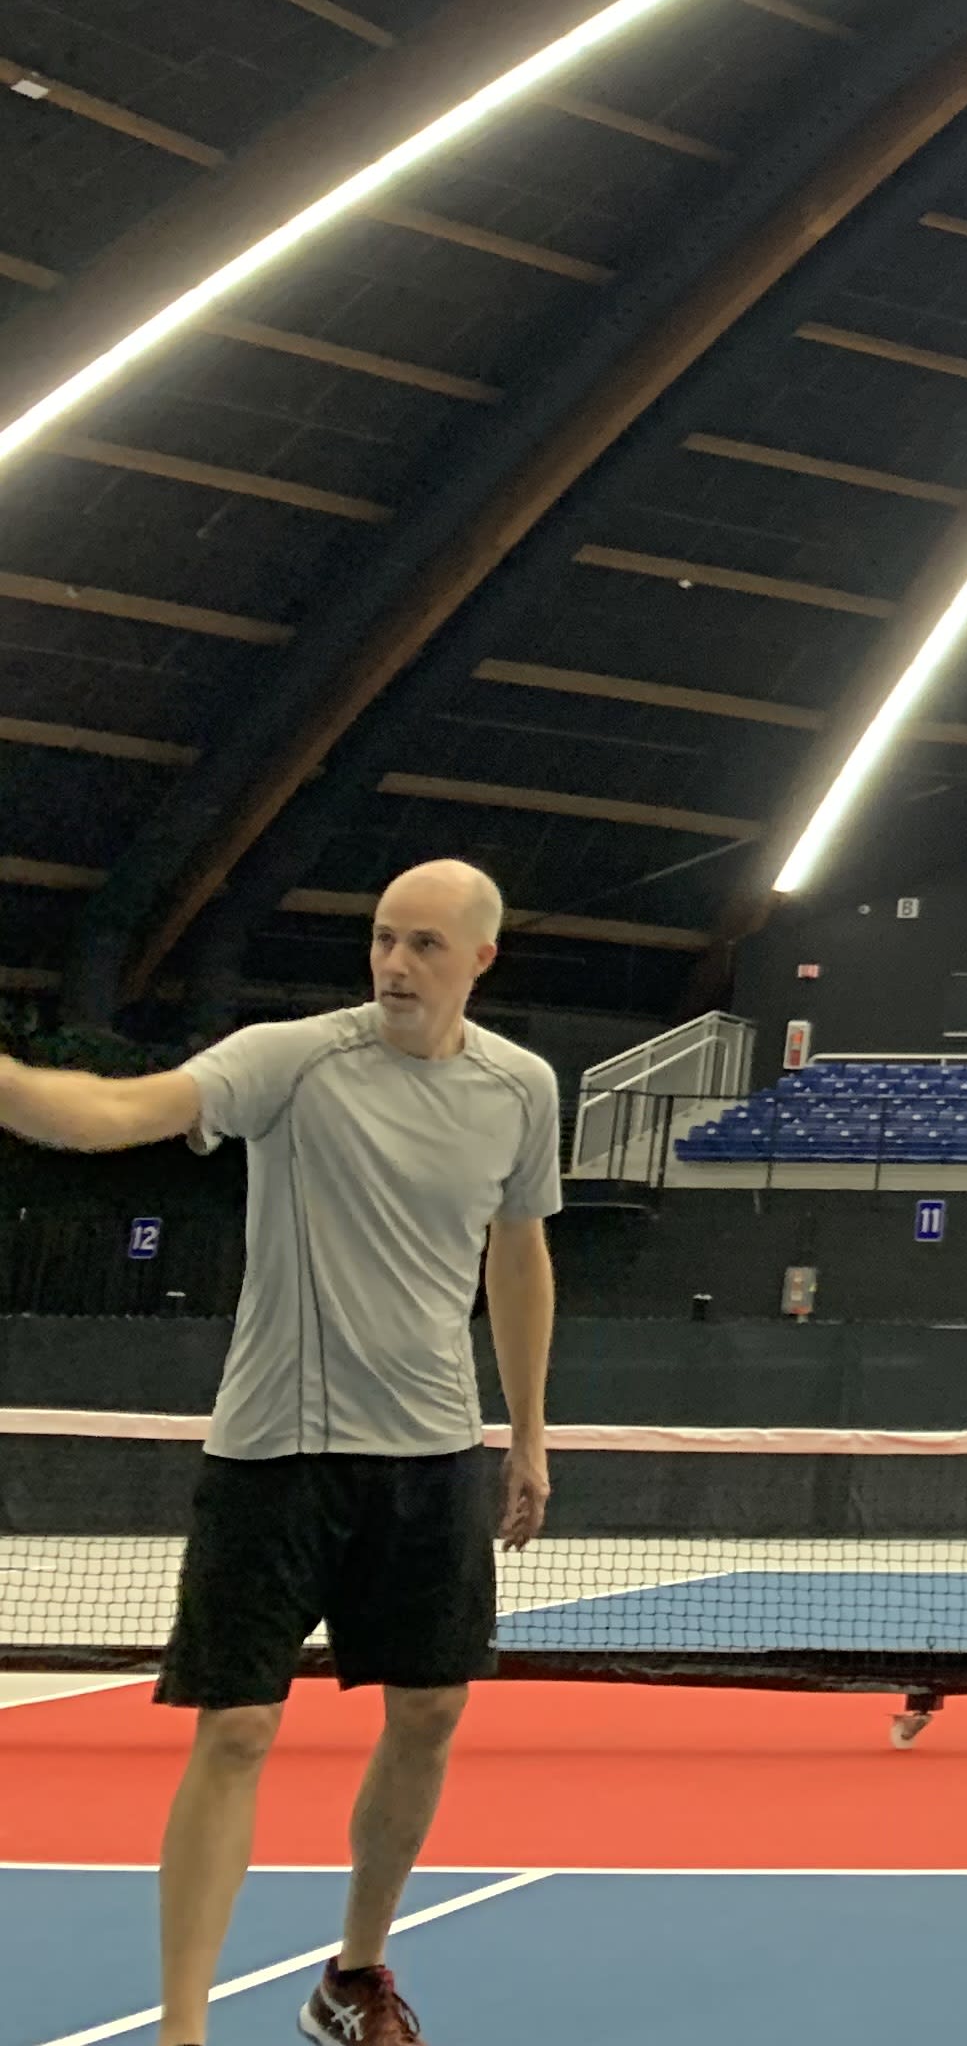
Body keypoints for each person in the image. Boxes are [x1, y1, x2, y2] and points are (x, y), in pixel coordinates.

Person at [0, 859, 561, 2046]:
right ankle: (185, 2032)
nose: (396, 965)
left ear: (480, 959)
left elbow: (518, 1254)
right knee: (239, 1728)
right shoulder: (289, 1059)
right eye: (381, 939)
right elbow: (113, 1112)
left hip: (433, 1456)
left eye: (422, 945)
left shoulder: (521, 1089)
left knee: (429, 1714)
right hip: (278, 1454)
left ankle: (353, 1979)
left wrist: (524, 1435)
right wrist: (8, 1081)